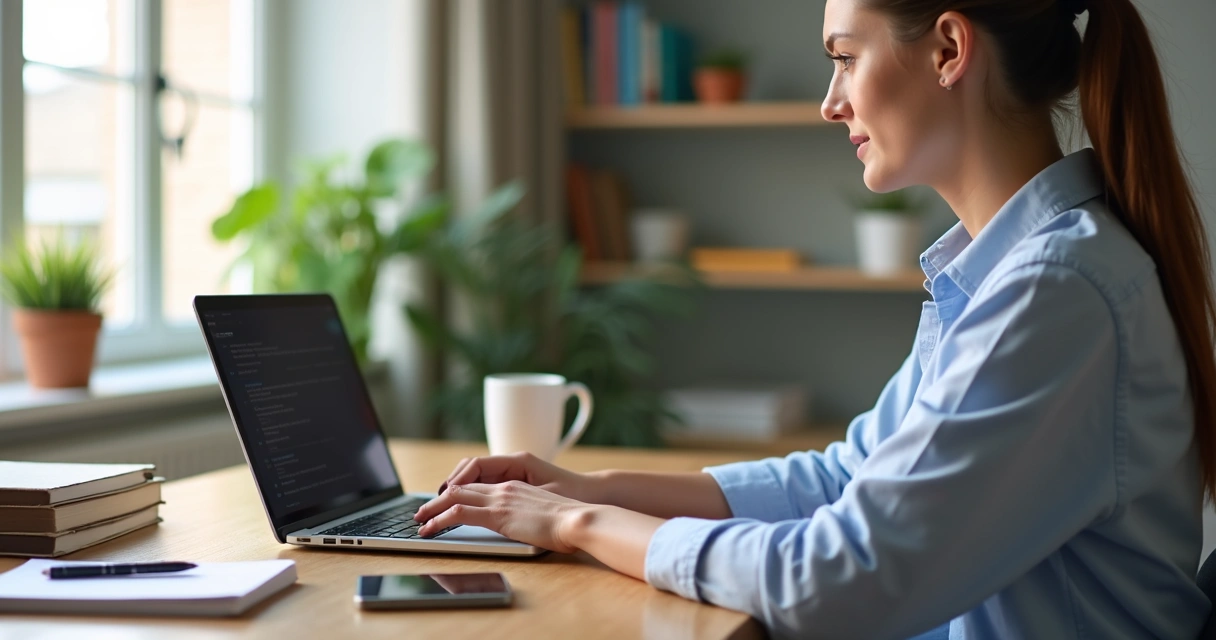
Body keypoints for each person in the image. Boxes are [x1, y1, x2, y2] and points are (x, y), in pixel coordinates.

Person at [413, 0, 1215, 636]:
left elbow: (839, 580)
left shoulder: (1054, 291)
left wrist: (581, 522)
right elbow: (848, 477)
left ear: (947, 50)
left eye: (844, 57)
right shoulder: (1012, 270)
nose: (831, 102)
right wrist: (591, 486)